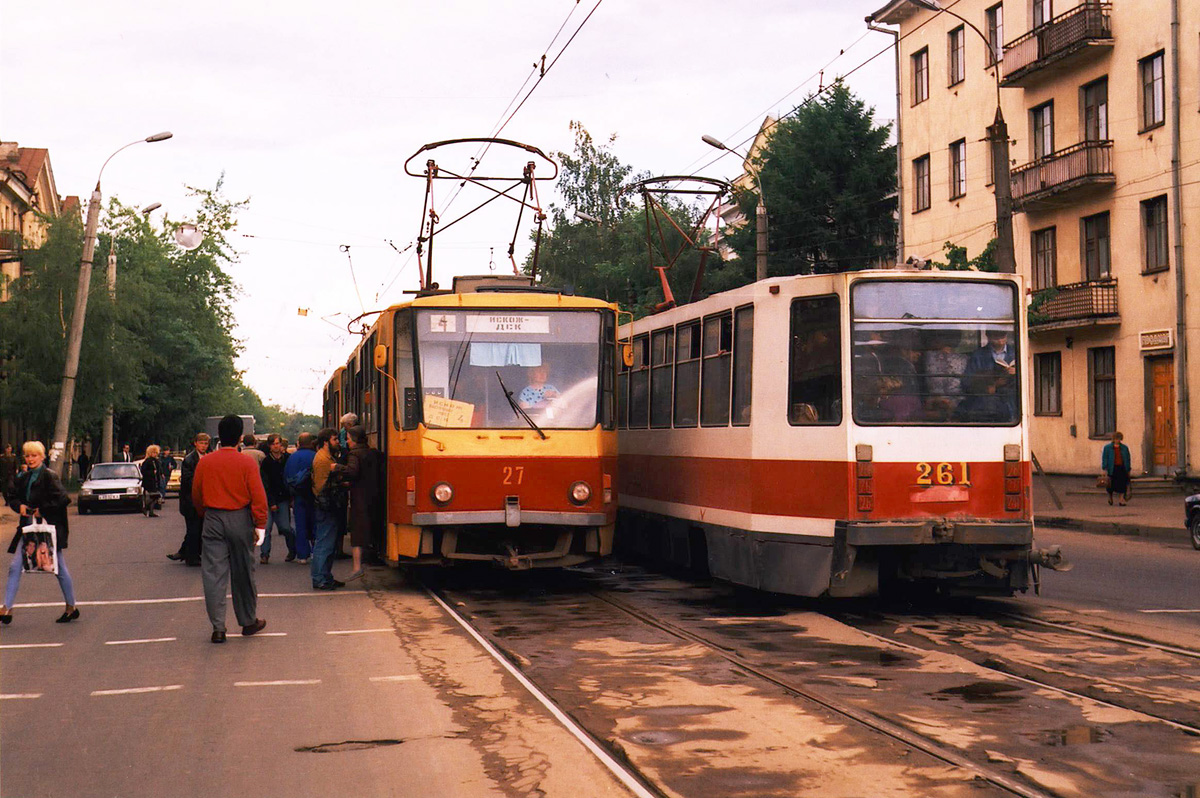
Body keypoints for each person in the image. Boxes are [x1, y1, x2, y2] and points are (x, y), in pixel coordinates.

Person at [192, 415, 267, 644]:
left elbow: (196, 494)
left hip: (213, 517)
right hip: (240, 518)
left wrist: (206, 515)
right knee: (243, 571)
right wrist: (260, 524)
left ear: (218, 437)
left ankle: (218, 628)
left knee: (214, 574)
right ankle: (247, 621)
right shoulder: (246, 463)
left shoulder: (205, 462)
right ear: (240, 438)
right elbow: (258, 496)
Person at [1, 441, 79, 624]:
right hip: (28, 528)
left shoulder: (49, 476)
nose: (30, 459)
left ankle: (71, 606)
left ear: (42, 457)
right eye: (27, 456)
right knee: (15, 567)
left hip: (47, 528)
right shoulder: (24, 477)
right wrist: (18, 506)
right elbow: (12, 495)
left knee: (58, 567)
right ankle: (7, 608)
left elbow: (63, 499)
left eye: (34, 455)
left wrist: (41, 510)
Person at [341, 426, 381, 581]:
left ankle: (357, 567)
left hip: (359, 499)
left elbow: (352, 472)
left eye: (349, 438)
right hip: (374, 496)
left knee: (357, 533)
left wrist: (337, 468)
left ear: (355, 439)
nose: (347, 441)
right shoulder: (374, 453)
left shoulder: (354, 454)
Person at [310, 428, 346, 591]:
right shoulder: (323, 460)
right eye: (334, 439)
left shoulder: (326, 457)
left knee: (328, 543)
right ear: (325, 442)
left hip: (328, 505)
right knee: (324, 543)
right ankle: (319, 578)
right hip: (326, 506)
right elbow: (321, 486)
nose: (337, 442)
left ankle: (326, 576)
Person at [168, 432, 209, 566]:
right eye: (201, 443)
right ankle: (192, 557)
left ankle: (185, 552)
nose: (204, 446)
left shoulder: (209, 457)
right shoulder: (189, 459)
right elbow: (188, 480)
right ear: (195, 443)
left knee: (198, 528)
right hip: (190, 501)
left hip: (203, 500)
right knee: (194, 529)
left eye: (206, 443)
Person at [960, 329, 1017, 422]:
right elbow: (967, 383)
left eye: (1002, 336)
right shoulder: (977, 356)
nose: (1000, 340)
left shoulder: (1017, 352)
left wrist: (1017, 373)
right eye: (996, 337)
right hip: (985, 406)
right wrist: (991, 384)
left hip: (1012, 405)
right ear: (988, 336)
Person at [259, 433, 296, 564]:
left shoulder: (287, 458)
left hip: (283, 498)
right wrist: (271, 502)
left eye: (278, 443)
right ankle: (264, 554)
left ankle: (293, 549)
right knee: (267, 528)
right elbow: (265, 483)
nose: (276, 446)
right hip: (269, 499)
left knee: (285, 527)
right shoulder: (266, 462)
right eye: (274, 444)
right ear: (269, 446)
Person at [284, 432, 317, 565]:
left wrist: (291, 496)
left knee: (300, 525)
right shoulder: (315, 456)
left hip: (298, 496)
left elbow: (286, 478)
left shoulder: (292, 457)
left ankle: (302, 555)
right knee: (315, 524)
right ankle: (316, 552)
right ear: (311, 443)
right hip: (314, 496)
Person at [1101, 431, 1133, 506]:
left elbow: (1128, 458)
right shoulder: (1107, 448)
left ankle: (1121, 499)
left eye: (1118, 439)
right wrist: (1104, 468)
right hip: (1112, 468)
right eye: (1115, 439)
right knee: (1111, 485)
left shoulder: (1124, 448)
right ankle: (1110, 497)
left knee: (1122, 484)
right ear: (1113, 439)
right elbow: (1105, 458)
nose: (1117, 440)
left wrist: (1128, 469)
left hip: (1121, 468)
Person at [140, 445, 164, 517]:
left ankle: (150, 511)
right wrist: (151, 473)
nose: (155, 454)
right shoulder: (147, 461)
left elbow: (159, 469)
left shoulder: (156, 461)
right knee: (153, 496)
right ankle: (146, 507)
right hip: (149, 481)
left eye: (156, 453)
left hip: (156, 481)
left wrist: (161, 473)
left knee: (155, 496)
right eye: (154, 453)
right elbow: (143, 471)